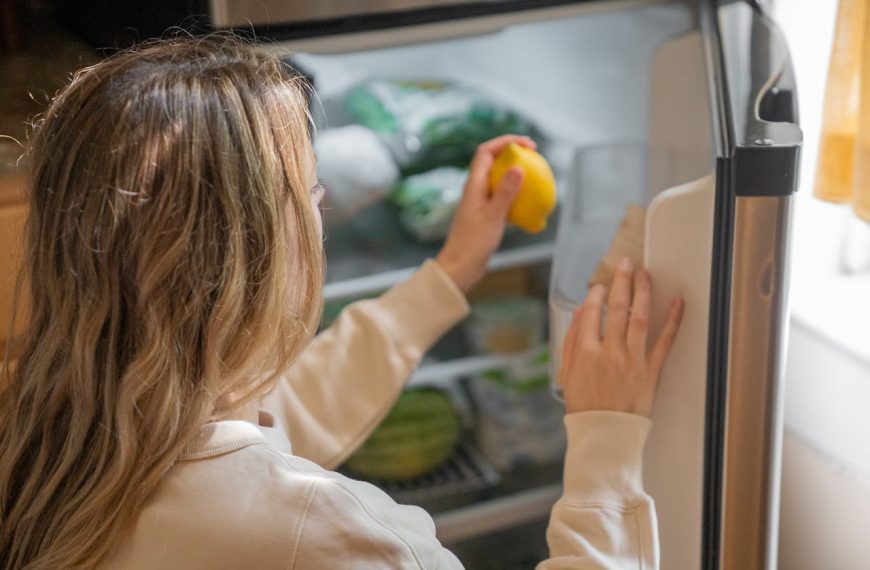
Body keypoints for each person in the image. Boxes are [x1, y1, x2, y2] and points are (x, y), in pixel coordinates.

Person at [0, 36, 683, 570]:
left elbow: (279, 420)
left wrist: (450, 273)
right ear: (252, 261)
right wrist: (606, 441)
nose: (322, 209)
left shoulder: (52, 433)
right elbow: (274, 488)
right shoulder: (342, 539)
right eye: (310, 195)